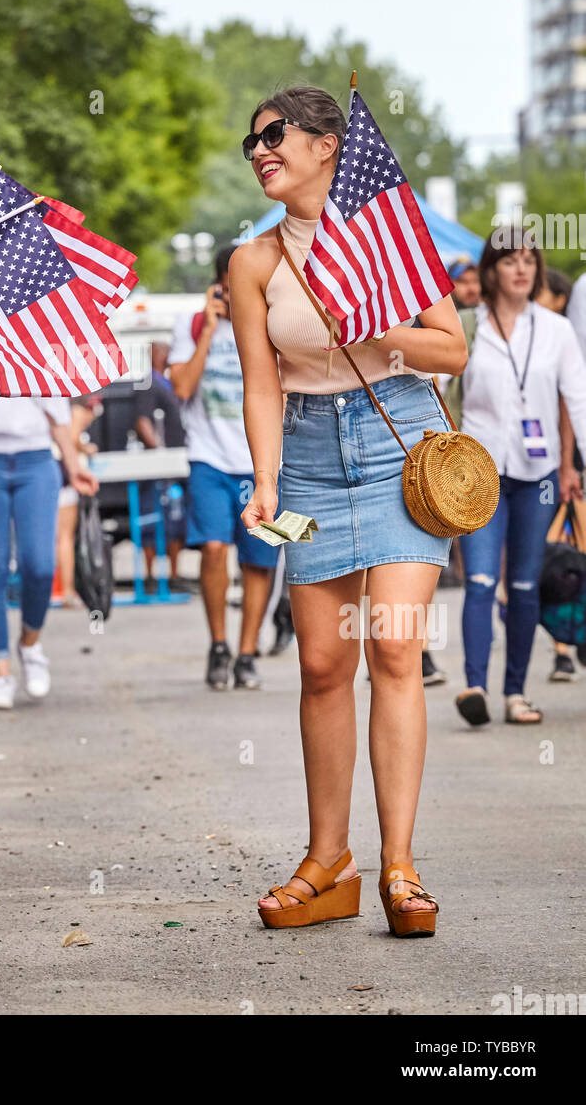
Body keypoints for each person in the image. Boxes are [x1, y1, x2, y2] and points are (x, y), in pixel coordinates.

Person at [231, 86, 467, 937]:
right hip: (306, 464)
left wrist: (377, 328)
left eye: (273, 135)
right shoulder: (253, 262)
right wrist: (263, 479)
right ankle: (328, 861)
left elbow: (451, 345)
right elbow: (263, 383)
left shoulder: (390, 240)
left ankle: (399, 867)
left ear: (328, 144)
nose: (258, 149)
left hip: (397, 444)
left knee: (395, 647)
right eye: (250, 142)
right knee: (323, 668)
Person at [454, 226, 586, 723]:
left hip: (540, 473)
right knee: (482, 581)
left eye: (530, 259)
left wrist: (575, 462)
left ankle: (515, 693)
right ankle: (474, 688)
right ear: (491, 271)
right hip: (478, 473)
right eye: (510, 261)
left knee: (527, 584)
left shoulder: (555, 331)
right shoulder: (469, 326)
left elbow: (575, 398)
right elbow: (441, 389)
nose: (522, 269)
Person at [0, 325, 98, 709]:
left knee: (40, 566)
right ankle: (0, 674)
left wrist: (74, 464)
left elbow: (56, 411)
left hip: (36, 461)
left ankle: (30, 644)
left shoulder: (39, 326)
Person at [169, 246, 279, 691]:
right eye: (230, 290)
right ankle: (219, 644)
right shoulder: (193, 326)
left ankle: (247, 652)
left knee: (260, 561)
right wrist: (209, 332)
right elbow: (181, 387)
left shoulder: (273, 324)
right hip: (209, 459)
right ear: (219, 286)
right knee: (214, 548)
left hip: (263, 464)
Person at [537, 268, 581, 681]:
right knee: (557, 556)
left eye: (543, 293)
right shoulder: (536, 337)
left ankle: (571, 642)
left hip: (571, 453)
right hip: (547, 457)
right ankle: (564, 647)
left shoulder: (563, 336)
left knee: (573, 552)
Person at [134, 341, 187, 590]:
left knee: (175, 519)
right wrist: (159, 453)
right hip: (157, 466)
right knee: (151, 517)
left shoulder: (169, 383)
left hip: (174, 465)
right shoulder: (149, 384)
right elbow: (143, 421)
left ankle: (174, 575)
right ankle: (150, 575)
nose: (168, 354)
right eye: (164, 350)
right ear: (154, 354)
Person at [54, 395, 101, 607]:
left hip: (50, 473)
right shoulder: (77, 411)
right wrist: (86, 448)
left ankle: (58, 589)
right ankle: (66, 591)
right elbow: (72, 438)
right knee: (65, 537)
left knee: (53, 536)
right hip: (62, 474)